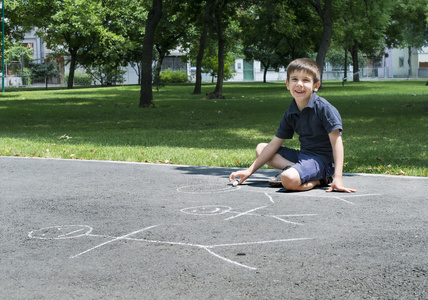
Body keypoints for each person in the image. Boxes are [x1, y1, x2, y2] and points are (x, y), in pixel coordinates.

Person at [229, 58, 356, 193]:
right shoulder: (291, 112)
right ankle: (296, 168)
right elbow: (274, 144)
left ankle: (321, 180)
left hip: (322, 162)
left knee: (288, 179)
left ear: (316, 85)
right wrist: (249, 171)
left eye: (306, 80)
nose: (299, 84)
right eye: (294, 79)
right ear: (287, 84)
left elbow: (337, 143)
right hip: (303, 156)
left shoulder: (324, 109)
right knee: (261, 148)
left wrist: (338, 177)